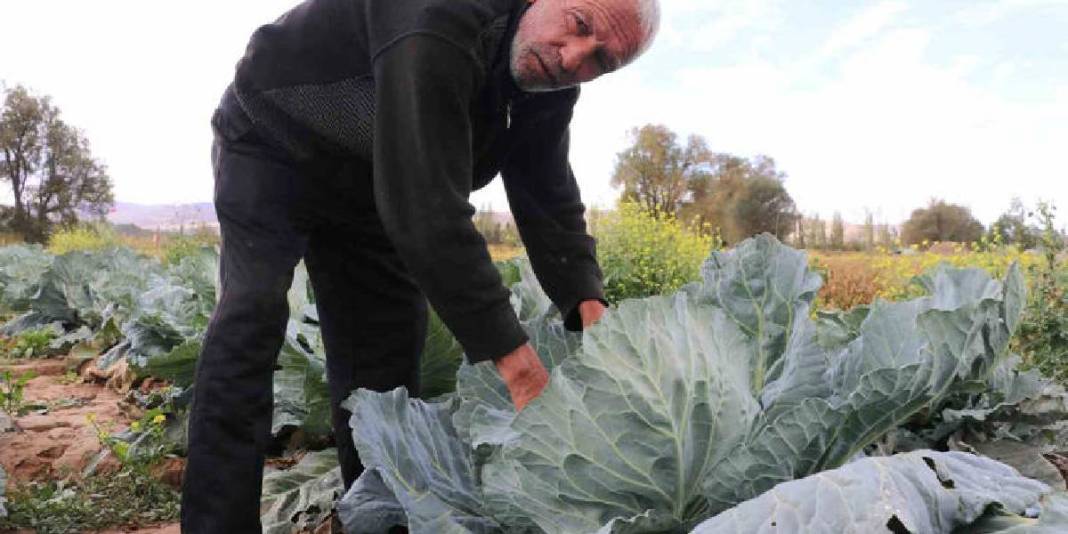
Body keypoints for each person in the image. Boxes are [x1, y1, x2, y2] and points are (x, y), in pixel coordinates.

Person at [180, 0, 661, 531]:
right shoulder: (440, 14)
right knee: (251, 314)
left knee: (383, 369)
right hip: (275, 144)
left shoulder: (547, 82)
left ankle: (373, 520)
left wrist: (593, 314)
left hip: (372, 180)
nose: (574, 58)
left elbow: (546, 191)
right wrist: (522, 375)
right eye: (578, 25)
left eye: (601, 62)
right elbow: (429, 211)